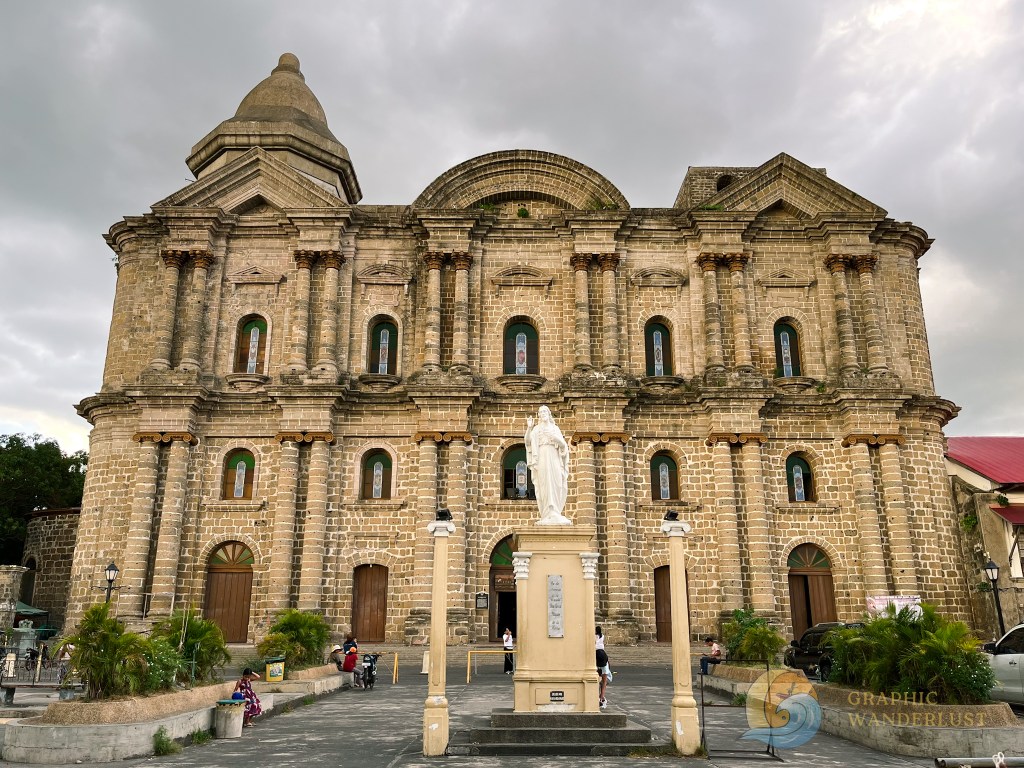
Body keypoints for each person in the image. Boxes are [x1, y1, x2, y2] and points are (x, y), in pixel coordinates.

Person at [524, 406, 571, 525]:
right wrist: (529, 428)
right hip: (541, 458)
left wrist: (557, 439)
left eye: (544, 411)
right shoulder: (536, 429)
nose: (542, 413)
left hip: (554, 457)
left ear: (549, 414)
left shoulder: (555, 429)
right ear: (538, 415)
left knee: (557, 482)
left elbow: (563, 446)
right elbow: (528, 442)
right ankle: (546, 513)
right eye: (540, 412)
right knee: (543, 484)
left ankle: (555, 511)